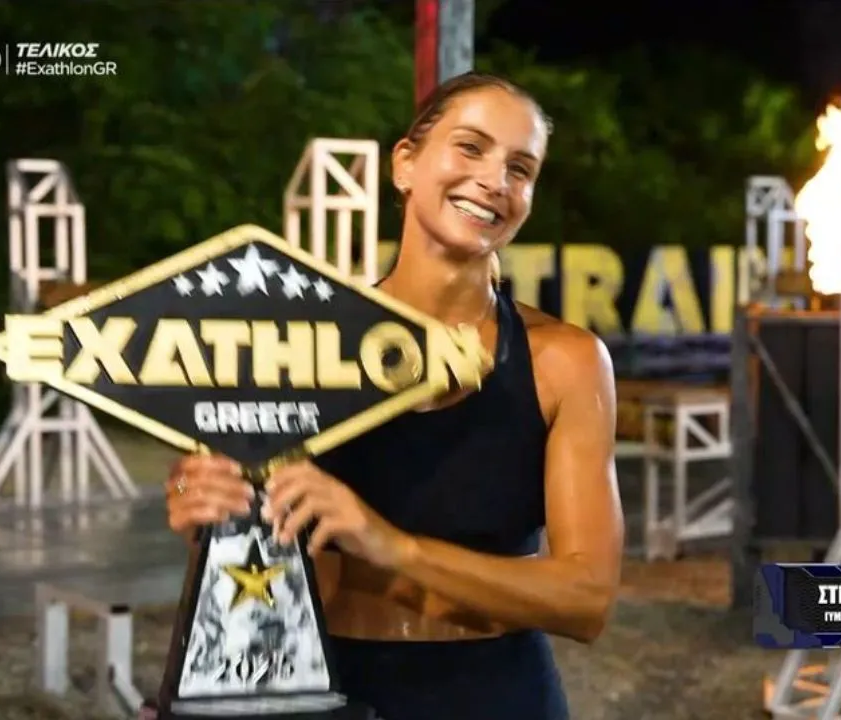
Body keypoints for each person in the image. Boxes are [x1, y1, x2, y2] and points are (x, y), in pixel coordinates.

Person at [162, 72, 624, 720]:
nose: (494, 180)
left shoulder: (565, 362)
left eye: (520, 169)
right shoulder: (291, 348)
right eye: (470, 147)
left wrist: (390, 546)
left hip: (496, 694)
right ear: (405, 164)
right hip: (319, 686)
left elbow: (586, 599)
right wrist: (200, 505)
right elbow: (235, 555)